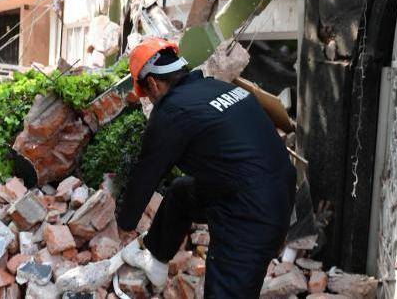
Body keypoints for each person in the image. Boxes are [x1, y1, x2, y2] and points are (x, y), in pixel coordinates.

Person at [115, 37, 297, 298]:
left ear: (153, 83)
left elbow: (146, 174)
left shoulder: (171, 111)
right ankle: (156, 259)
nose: (150, 101)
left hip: (251, 214)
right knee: (180, 193)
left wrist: (124, 224)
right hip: (272, 190)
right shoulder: (215, 88)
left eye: (147, 94)